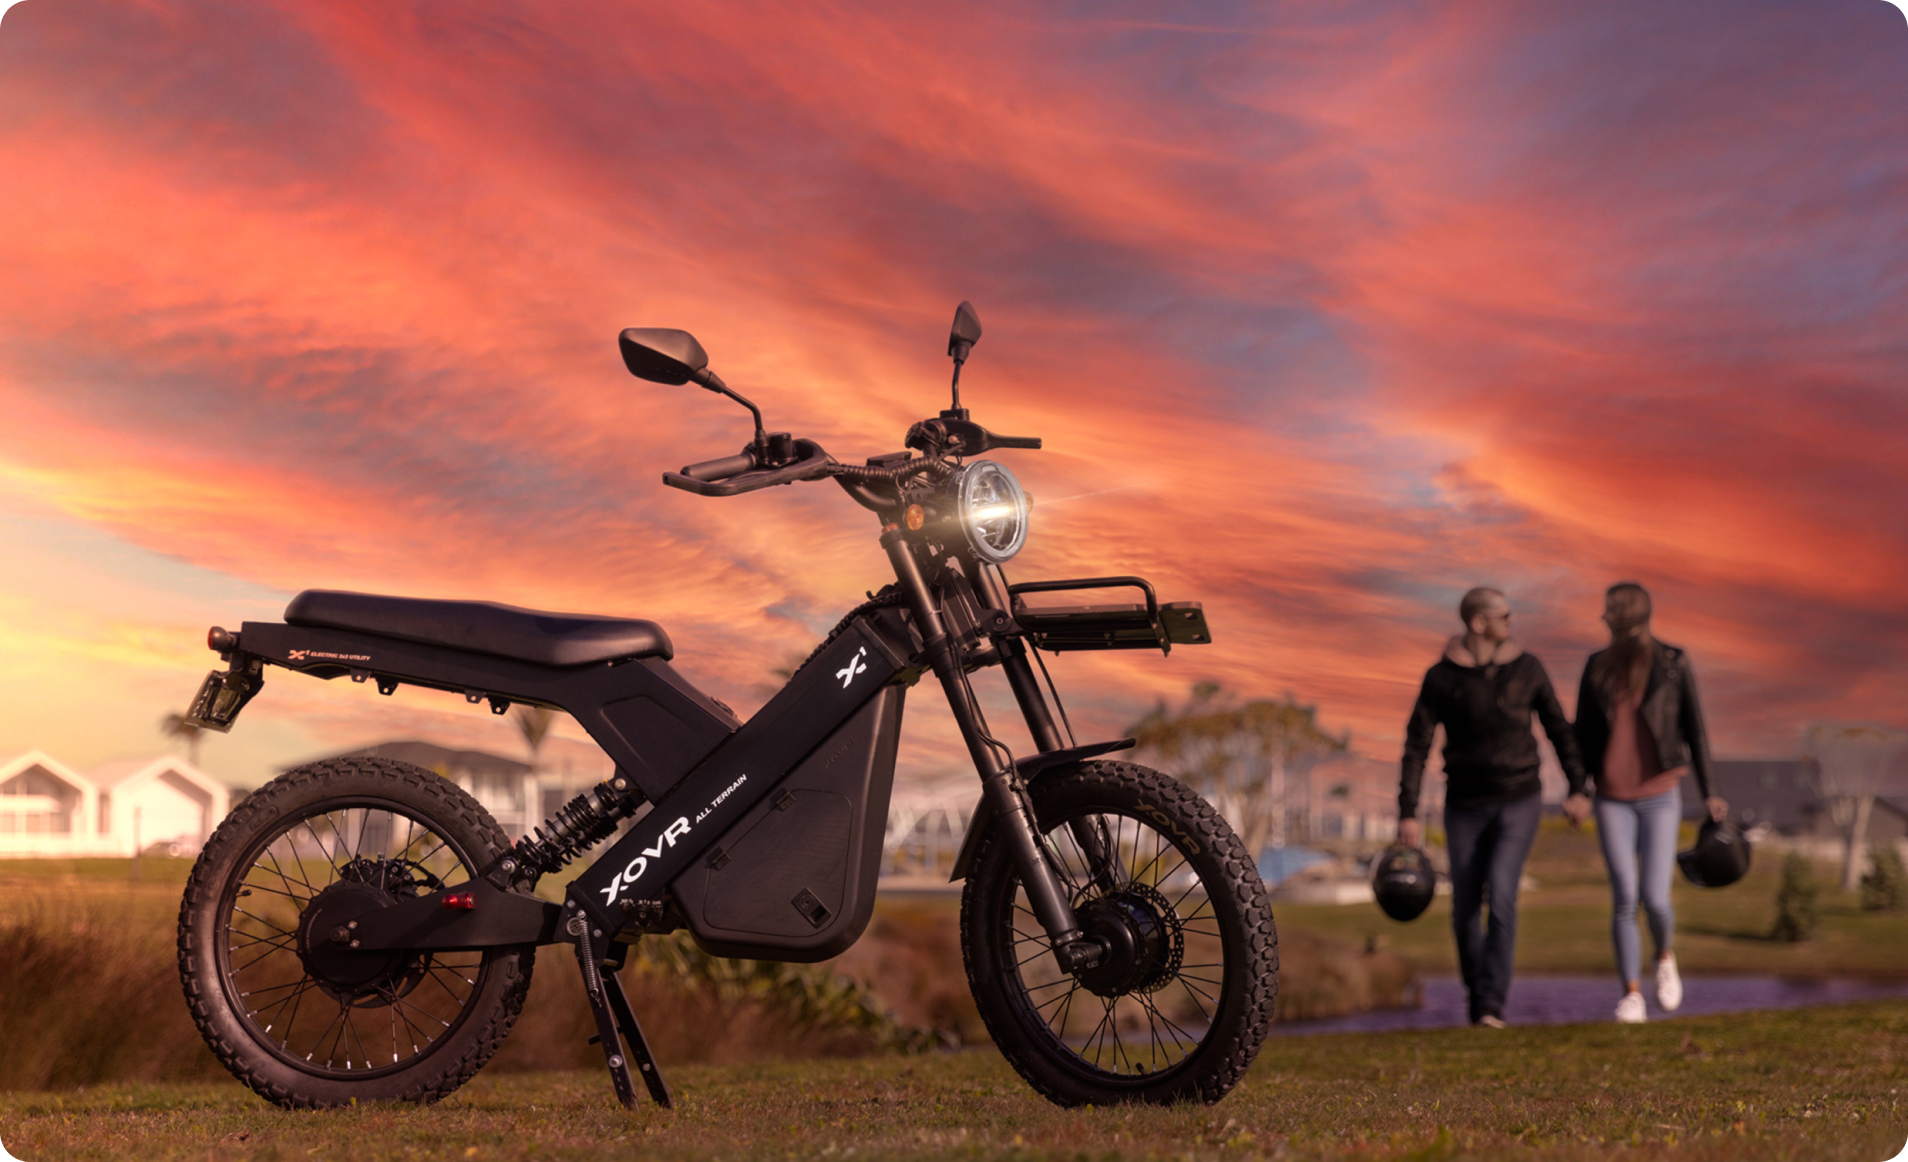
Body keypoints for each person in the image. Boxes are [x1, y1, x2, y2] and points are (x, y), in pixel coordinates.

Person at [1399, 587, 1586, 1027]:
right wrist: (1407, 810)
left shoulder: (1528, 668)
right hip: (1463, 804)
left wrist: (1579, 788)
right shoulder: (1441, 677)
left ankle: (1490, 1007)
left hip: (1519, 798)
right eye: (1504, 614)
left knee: (1502, 893)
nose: (1511, 620)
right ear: (1478, 622)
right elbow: (1416, 745)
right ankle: (1478, 994)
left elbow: (1560, 729)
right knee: (1464, 904)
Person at [1570, 581, 1726, 1024]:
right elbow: (1581, 736)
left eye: (1610, 614)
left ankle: (1663, 957)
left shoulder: (1673, 663)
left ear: (1629, 619)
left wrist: (1710, 790)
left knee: (1655, 898)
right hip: (1611, 799)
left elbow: (1695, 730)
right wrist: (1579, 791)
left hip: (1660, 795)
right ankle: (1631, 996)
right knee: (1624, 896)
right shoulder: (1595, 668)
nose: (1604, 620)